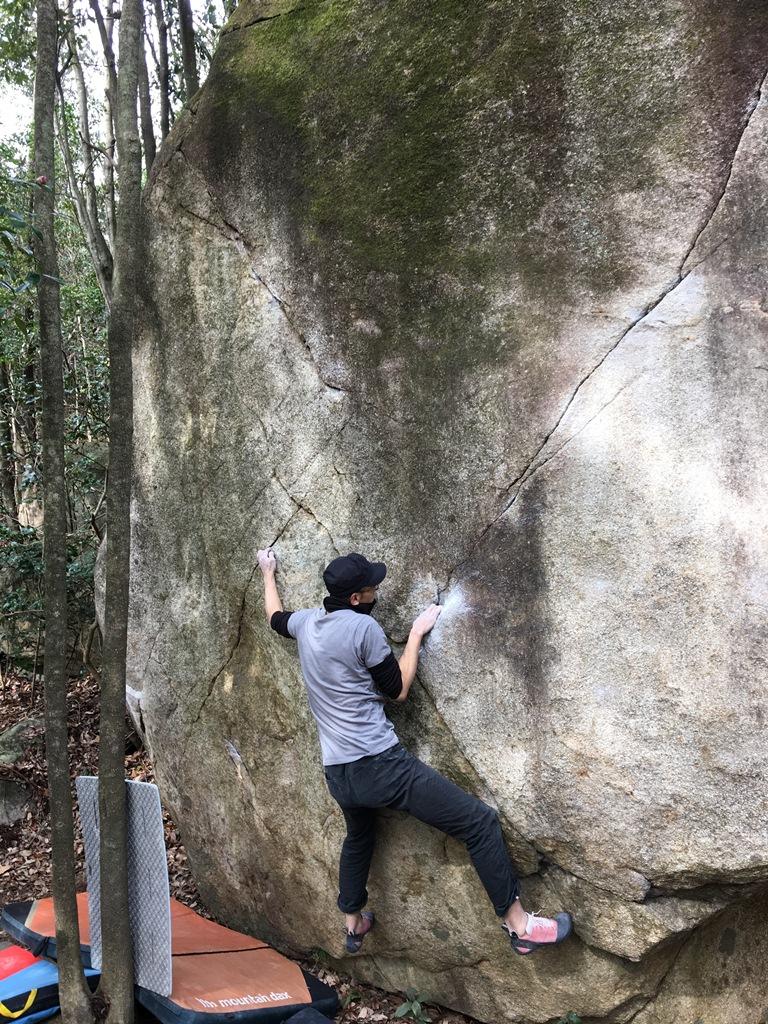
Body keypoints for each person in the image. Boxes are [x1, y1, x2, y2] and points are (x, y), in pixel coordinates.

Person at [257, 547, 572, 956]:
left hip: (338, 771)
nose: (376, 592)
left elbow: (274, 617)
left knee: (359, 835)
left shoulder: (306, 622)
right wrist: (417, 633)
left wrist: (268, 572)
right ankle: (520, 926)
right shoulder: (363, 628)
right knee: (478, 823)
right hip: (380, 765)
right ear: (356, 598)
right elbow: (399, 689)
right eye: (372, 588)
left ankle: (352, 922)